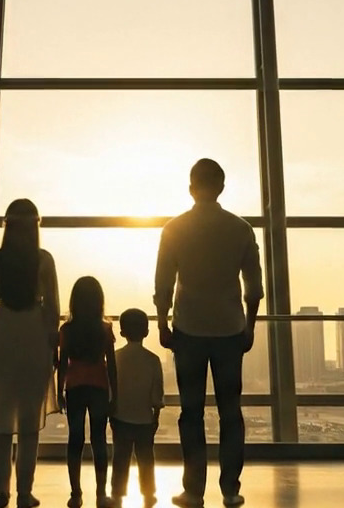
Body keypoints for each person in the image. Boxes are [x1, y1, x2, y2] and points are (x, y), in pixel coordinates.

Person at [154, 159, 263, 508]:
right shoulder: (241, 229)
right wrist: (250, 325)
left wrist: (161, 322)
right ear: (222, 187)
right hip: (230, 329)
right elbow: (254, 286)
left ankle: (194, 490)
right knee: (231, 412)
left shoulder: (174, 229)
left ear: (190, 188)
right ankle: (230, 489)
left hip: (188, 329)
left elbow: (163, 282)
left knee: (191, 413)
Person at [0, 199, 61, 508]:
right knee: (29, 423)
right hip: (34, 336)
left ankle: (2, 490)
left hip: (3, 337)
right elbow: (53, 307)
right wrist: (54, 348)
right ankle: (25, 491)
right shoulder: (43, 260)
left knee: (1, 421)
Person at [58, 276, 117, 508]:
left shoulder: (67, 330)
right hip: (100, 387)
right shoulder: (104, 329)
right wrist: (116, 394)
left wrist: (59, 391)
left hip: (74, 387)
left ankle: (76, 493)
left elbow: (63, 363)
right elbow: (111, 364)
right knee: (99, 440)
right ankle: (101, 494)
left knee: (75, 439)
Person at [109, 308, 163, 508]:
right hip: (145, 419)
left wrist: (111, 413)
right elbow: (156, 393)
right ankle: (148, 493)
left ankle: (117, 492)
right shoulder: (153, 360)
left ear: (122, 332)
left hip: (120, 417)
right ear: (147, 331)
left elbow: (110, 389)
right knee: (146, 459)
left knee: (120, 458)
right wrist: (155, 415)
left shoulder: (115, 358)